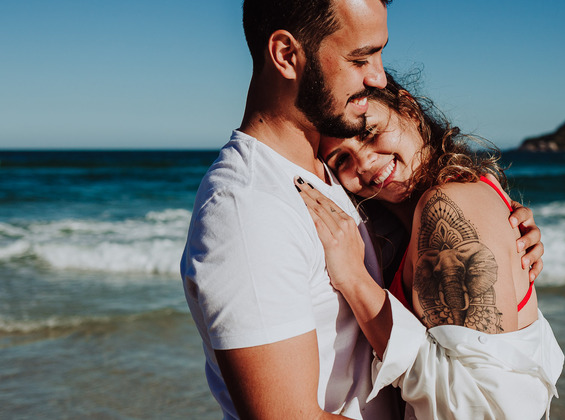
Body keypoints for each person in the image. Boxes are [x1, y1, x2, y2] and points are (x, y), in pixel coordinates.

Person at [180, 1, 545, 419]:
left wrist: (496, 228)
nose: (378, 76)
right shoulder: (246, 207)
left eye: (379, 53)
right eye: (360, 58)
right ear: (285, 55)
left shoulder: (329, 169)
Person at [295, 73, 564, 420]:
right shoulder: (415, 222)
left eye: (368, 132)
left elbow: (479, 405)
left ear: (407, 106)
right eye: (341, 161)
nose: (364, 163)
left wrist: (352, 278)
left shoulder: (447, 205)